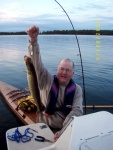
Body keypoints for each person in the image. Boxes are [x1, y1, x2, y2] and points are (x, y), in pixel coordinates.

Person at [26, 26, 83, 141]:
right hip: (42, 126)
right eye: (61, 69)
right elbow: (36, 64)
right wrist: (33, 41)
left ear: (72, 73)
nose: (64, 72)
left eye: (68, 70)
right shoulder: (46, 79)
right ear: (57, 70)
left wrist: (63, 132)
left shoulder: (77, 89)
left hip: (62, 129)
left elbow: (76, 112)